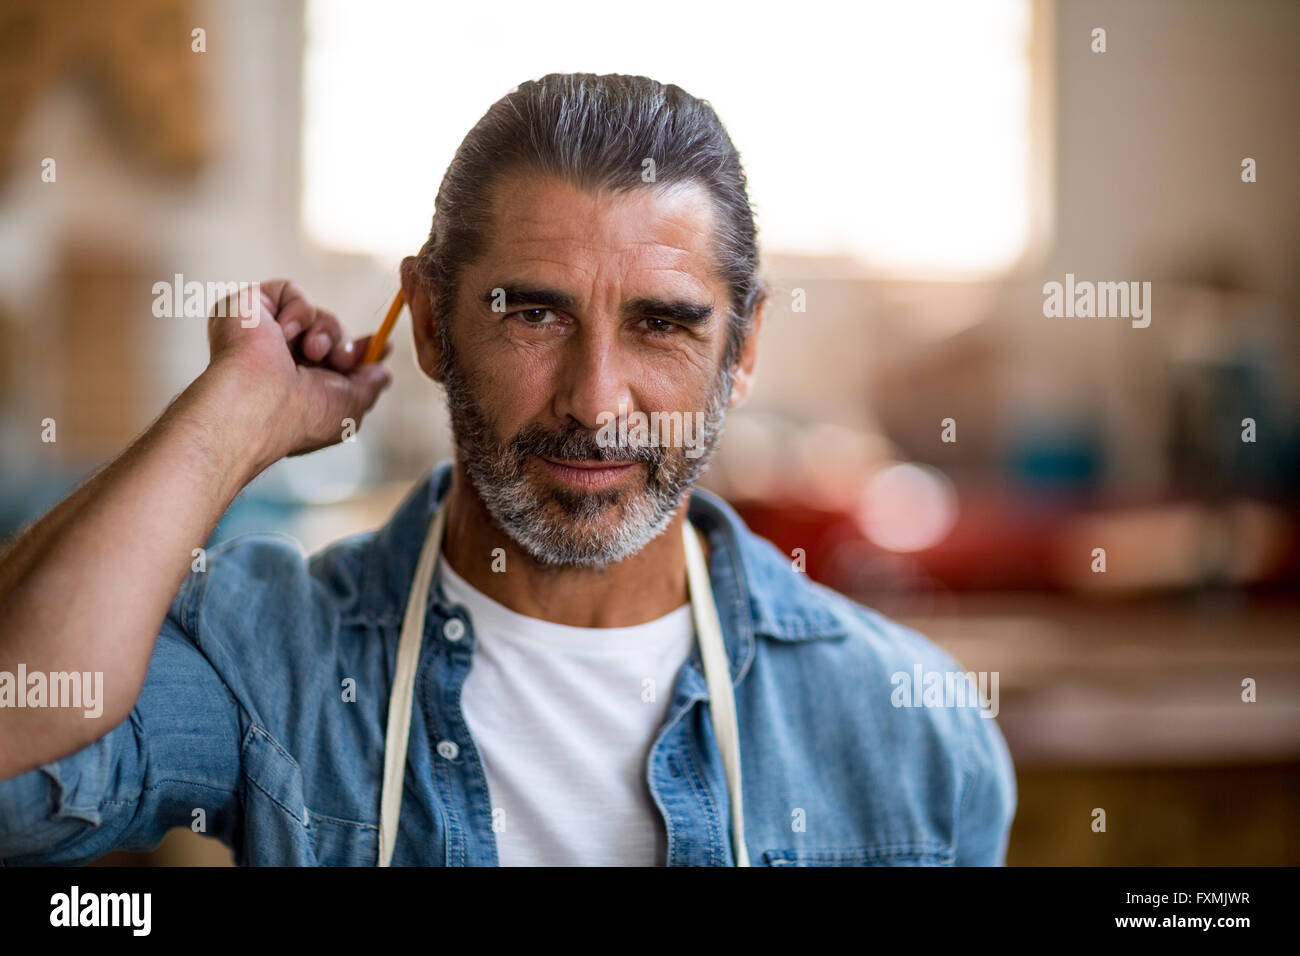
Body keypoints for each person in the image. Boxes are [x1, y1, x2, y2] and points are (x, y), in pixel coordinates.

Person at [0, 73, 1015, 866]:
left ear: (742, 350)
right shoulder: (278, 660)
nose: (594, 399)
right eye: (533, 314)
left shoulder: (906, 728)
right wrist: (226, 424)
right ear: (432, 322)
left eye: (660, 324)